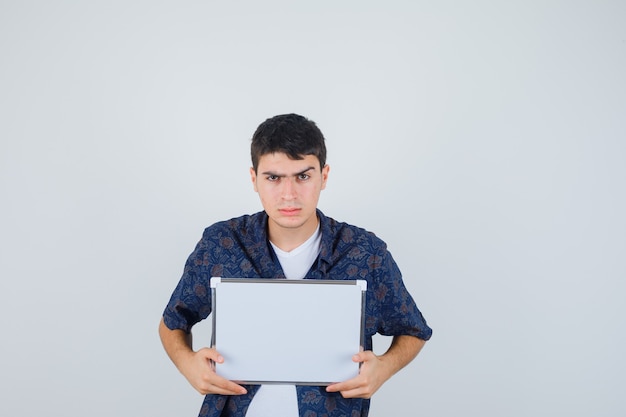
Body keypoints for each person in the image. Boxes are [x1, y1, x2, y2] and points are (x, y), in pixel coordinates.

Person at [159, 113, 432, 417]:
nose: (289, 195)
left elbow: (413, 329)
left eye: (303, 176)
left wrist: (384, 367)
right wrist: (187, 364)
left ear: (324, 176)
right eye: (273, 178)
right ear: (254, 179)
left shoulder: (365, 252)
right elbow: (173, 321)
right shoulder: (221, 243)